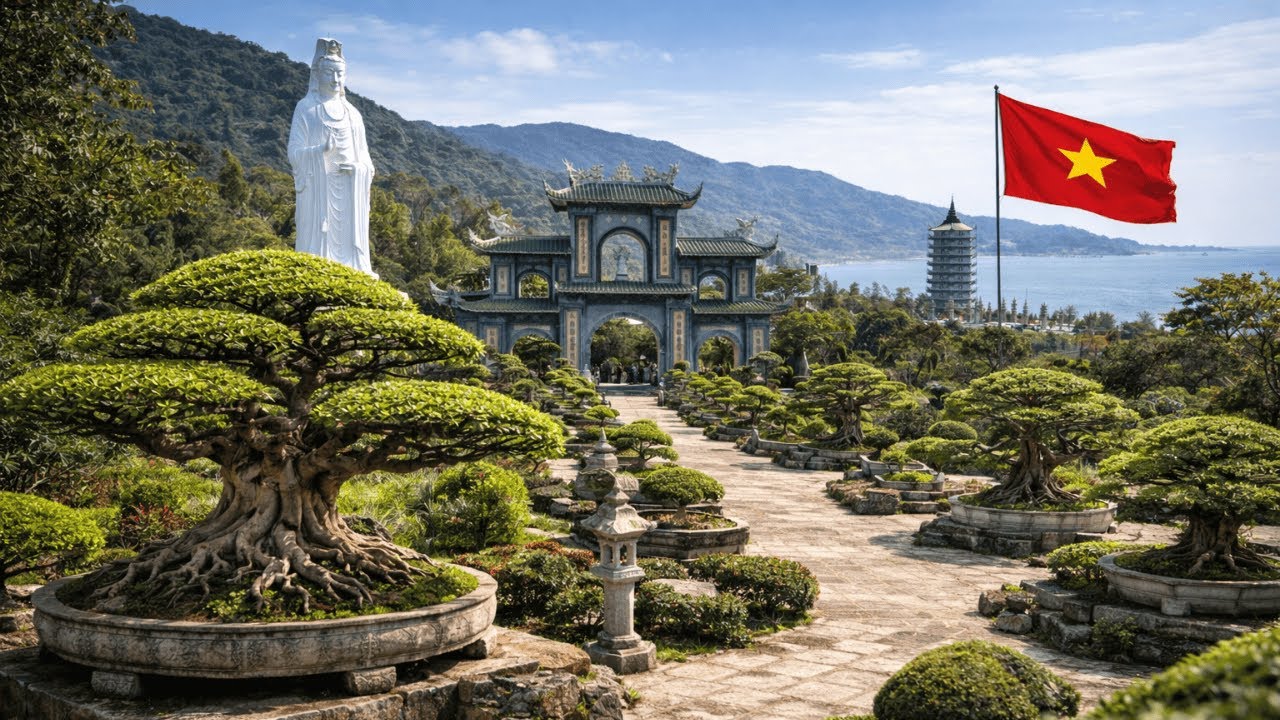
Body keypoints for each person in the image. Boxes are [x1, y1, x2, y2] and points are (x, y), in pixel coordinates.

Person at [288, 38, 377, 276]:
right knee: (319, 241)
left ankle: (355, 269)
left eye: (340, 74)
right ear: (317, 74)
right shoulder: (306, 109)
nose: (335, 80)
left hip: (349, 191)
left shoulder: (353, 115)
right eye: (329, 73)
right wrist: (319, 151)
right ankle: (316, 268)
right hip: (319, 194)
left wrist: (358, 169)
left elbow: (367, 162)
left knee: (351, 243)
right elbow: (293, 153)